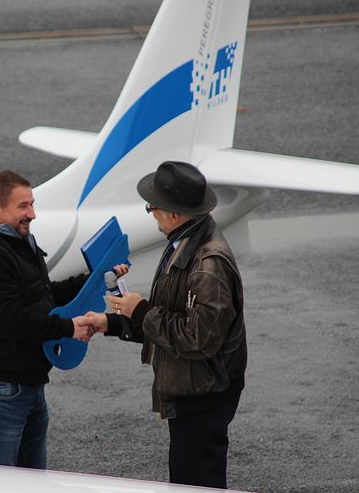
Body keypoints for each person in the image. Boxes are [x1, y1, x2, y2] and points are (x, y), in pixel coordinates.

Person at [83, 161, 247, 489]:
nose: (151, 214)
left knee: (196, 483)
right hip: (197, 390)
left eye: (152, 208)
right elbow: (171, 318)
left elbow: (198, 339)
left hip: (202, 397)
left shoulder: (206, 266)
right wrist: (111, 323)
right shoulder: (184, 242)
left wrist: (141, 311)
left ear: (172, 213)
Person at [0, 169, 125, 469]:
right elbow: (13, 320)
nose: (32, 214)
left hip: (25, 380)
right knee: (0, 482)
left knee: (32, 479)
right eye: (23, 206)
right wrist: (69, 327)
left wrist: (97, 278)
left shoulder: (17, 241)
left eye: (32, 204)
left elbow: (44, 295)